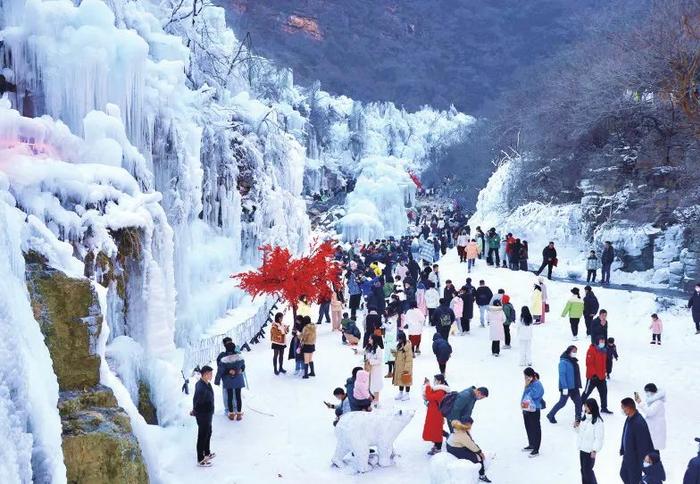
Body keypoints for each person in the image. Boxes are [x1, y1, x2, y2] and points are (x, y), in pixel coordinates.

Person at [620, 397, 655, 484]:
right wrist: (622, 448)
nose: (622, 410)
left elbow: (643, 444)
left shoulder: (639, 423)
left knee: (634, 480)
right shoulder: (629, 418)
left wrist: (641, 462)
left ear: (628, 408)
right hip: (627, 456)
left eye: (623, 407)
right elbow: (625, 433)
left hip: (635, 460)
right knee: (623, 474)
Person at [447, 418, 492, 482]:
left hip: (454, 444)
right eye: (470, 424)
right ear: (465, 424)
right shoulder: (461, 433)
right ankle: (482, 475)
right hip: (454, 448)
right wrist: (480, 452)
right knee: (478, 458)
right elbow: (470, 444)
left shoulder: (460, 428)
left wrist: (477, 448)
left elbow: (470, 441)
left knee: (474, 451)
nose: (471, 426)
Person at [547, 345, 583, 424]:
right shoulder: (563, 362)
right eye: (573, 351)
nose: (575, 353)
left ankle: (578, 418)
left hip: (574, 386)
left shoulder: (573, 360)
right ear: (569, 351)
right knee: (562, 403)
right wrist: (565, 387)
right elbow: (562, 375)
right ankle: (550, 415)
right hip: (567, 387)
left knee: (578, 402)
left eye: (576, 351)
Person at [575, 398, 605, 484]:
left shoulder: (598, 422)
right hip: (582, 448)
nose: (585, 408)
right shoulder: (584, 418)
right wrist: (576, 426)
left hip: (590, 451)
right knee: (583, 470)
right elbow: (580, 432)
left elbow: (599, 438)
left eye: (587, 406)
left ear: (592, 407)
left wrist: (594, 450)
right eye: (585, 406)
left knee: (588, 471)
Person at [215, 340, 246, 420]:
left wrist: (217, 380)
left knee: (229, 396)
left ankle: (231, 414)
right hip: (238, 379)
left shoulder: (223, 359)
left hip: (228, 380)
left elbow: (220, 370)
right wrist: (239, 370)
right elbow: (243, 366)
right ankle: (239, 414)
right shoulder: (239, 357)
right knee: (238, 396)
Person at [192, 365, 215, 467]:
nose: (211, 375)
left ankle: (207, 452)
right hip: (203, 415)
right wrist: (195, 411)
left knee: (208, 432)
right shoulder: (201, 387)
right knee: (202, 435)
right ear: (205, 374)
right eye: (210, 374)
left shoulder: (205, 383)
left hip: (208, 414)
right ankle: (200, 459)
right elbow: (197, 402)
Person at [581, 338, 612, 414]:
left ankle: (604, 408)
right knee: (587, 392)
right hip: (592, 377)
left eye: (603, 341)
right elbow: (589, 363)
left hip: (601, 377)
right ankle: (579, 405)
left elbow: (604, 363)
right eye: (601, 341)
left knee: (604, 392)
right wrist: (594, 374)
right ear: (597, 341)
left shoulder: (604, 351)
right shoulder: (591, 350)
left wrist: (606, 372)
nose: (602, 342)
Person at [423, 374, 450, 455]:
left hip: (437, 414)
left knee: (437, 430)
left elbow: (430, 397)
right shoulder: (438, 389)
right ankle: (436, 445)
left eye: (435, 380)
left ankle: (438, 448)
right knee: (434, 429)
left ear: (439, 381)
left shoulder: (441, 391)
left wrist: (427, 386)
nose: (434, 382)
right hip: (434, 412)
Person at [635, 384, 666, 453]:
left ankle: (655, 463)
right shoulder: (654, 401)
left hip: (656, 429)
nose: (646, 393)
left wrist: (640, 403)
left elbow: (650, 412)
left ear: (651, 391)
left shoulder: (658, 402)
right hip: (654, 428)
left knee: (654, 448)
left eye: (647, 391)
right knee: (651, 447)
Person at [521, 367, 545, 458]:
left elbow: (533, 395)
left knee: (535, 428)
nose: (525, 378)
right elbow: (525, 395)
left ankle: (536, 448)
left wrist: (527, 387)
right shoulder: (529, 384)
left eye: (526, 376)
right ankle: (531, 444)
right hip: (526, 408)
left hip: (534, 409)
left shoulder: (537, 384)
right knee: (528, 426)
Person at [392, 331, 413, 401]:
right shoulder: (399, 345)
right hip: (399, 366)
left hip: (405, 366)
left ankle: (407, 394)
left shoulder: (407, 346)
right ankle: (400, 392)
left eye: (400, 338)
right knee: (400, 380)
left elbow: (409, 359)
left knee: (406, 380)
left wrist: (407, 368)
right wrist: (394, 353)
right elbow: (398, 356)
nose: (399, 340)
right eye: (398, 338)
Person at [365, 334, 384, 407]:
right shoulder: (369, 347)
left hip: (376, 370)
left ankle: (376, 401)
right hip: (369, 369)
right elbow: (365, 353)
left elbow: (379, 360)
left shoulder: (378, 349)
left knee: (376, 385)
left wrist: (370, 361)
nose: (369, 340)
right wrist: (357, 351)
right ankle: (371, 399)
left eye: (370, 339)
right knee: (369, 384)